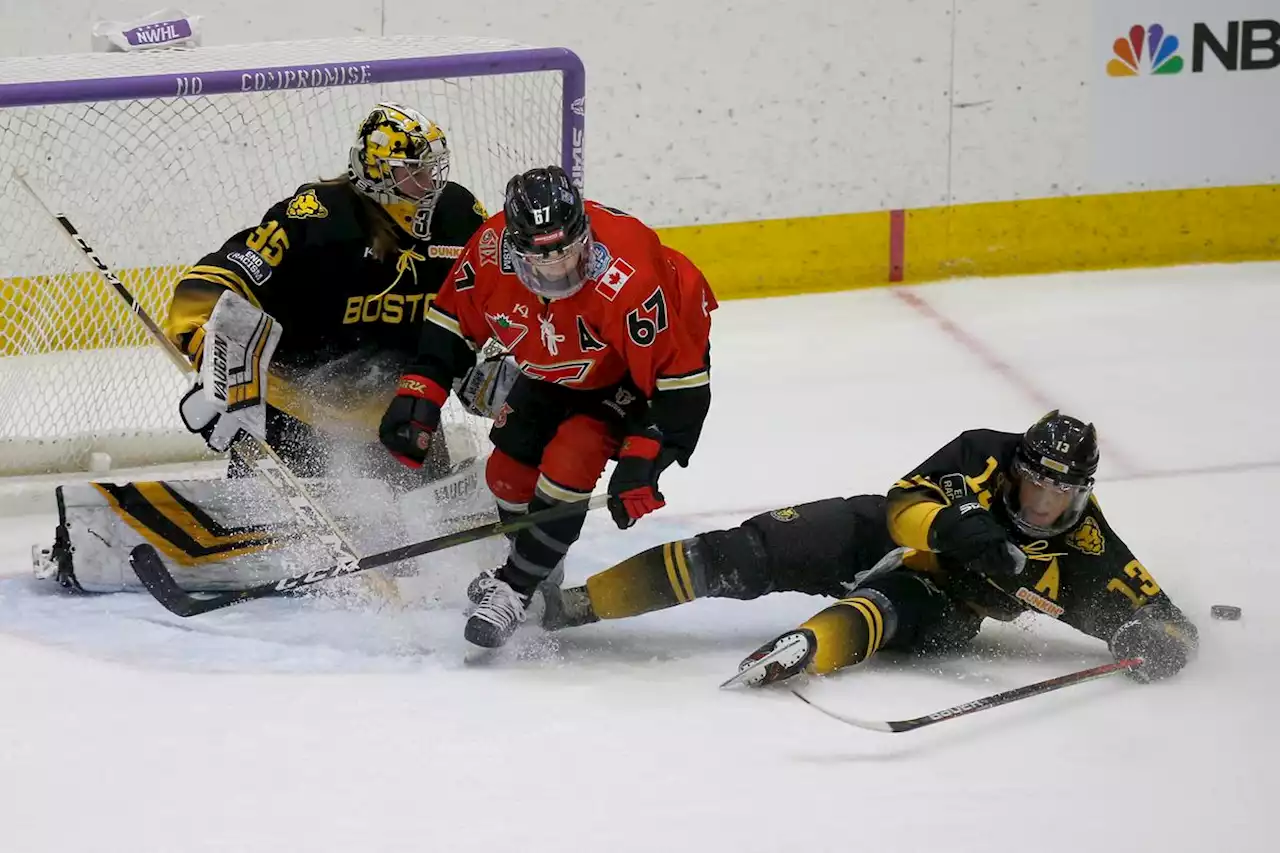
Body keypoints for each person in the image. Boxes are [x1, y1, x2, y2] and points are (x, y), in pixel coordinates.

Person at [538, 411, 1199, 685]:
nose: (1040, 499)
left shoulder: (1088, 546)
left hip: (947, 602)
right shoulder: (983, 453)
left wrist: (1161, 643)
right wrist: (955, 529)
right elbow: (903, 504)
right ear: (1018, 464)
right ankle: (572, 605)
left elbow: (1168, 622)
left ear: (1080, 490)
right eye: (1032, 480)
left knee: (886, 607)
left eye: (1057, 489)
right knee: (740, 550)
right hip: (877, 532)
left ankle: (803, 650)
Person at [379, 165, 717, 648]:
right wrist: (421, 390)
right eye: (541, 257)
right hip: (554, 366)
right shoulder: (490, 250)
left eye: (568, 252)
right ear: (516, 245)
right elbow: (453, 318)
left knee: (570, 462)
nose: (558, 268)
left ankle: (515, 589)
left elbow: (680, 385)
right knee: (506, 475)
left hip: (628, 372)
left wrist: (648, 456)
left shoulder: (632, 280)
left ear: (584, 232)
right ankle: (535, 568)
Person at [164, 101, 501, 485]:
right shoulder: (320, 217)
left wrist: (496, 365)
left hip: (402, 411)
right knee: (274, 538)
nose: (429, 185)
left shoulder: (459, 216)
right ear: (376, 172)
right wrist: (211, 351)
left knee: (428, 530)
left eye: (432, 170)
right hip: (293, 407)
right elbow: (228, 273)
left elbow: (497, 298)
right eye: (413, 172)